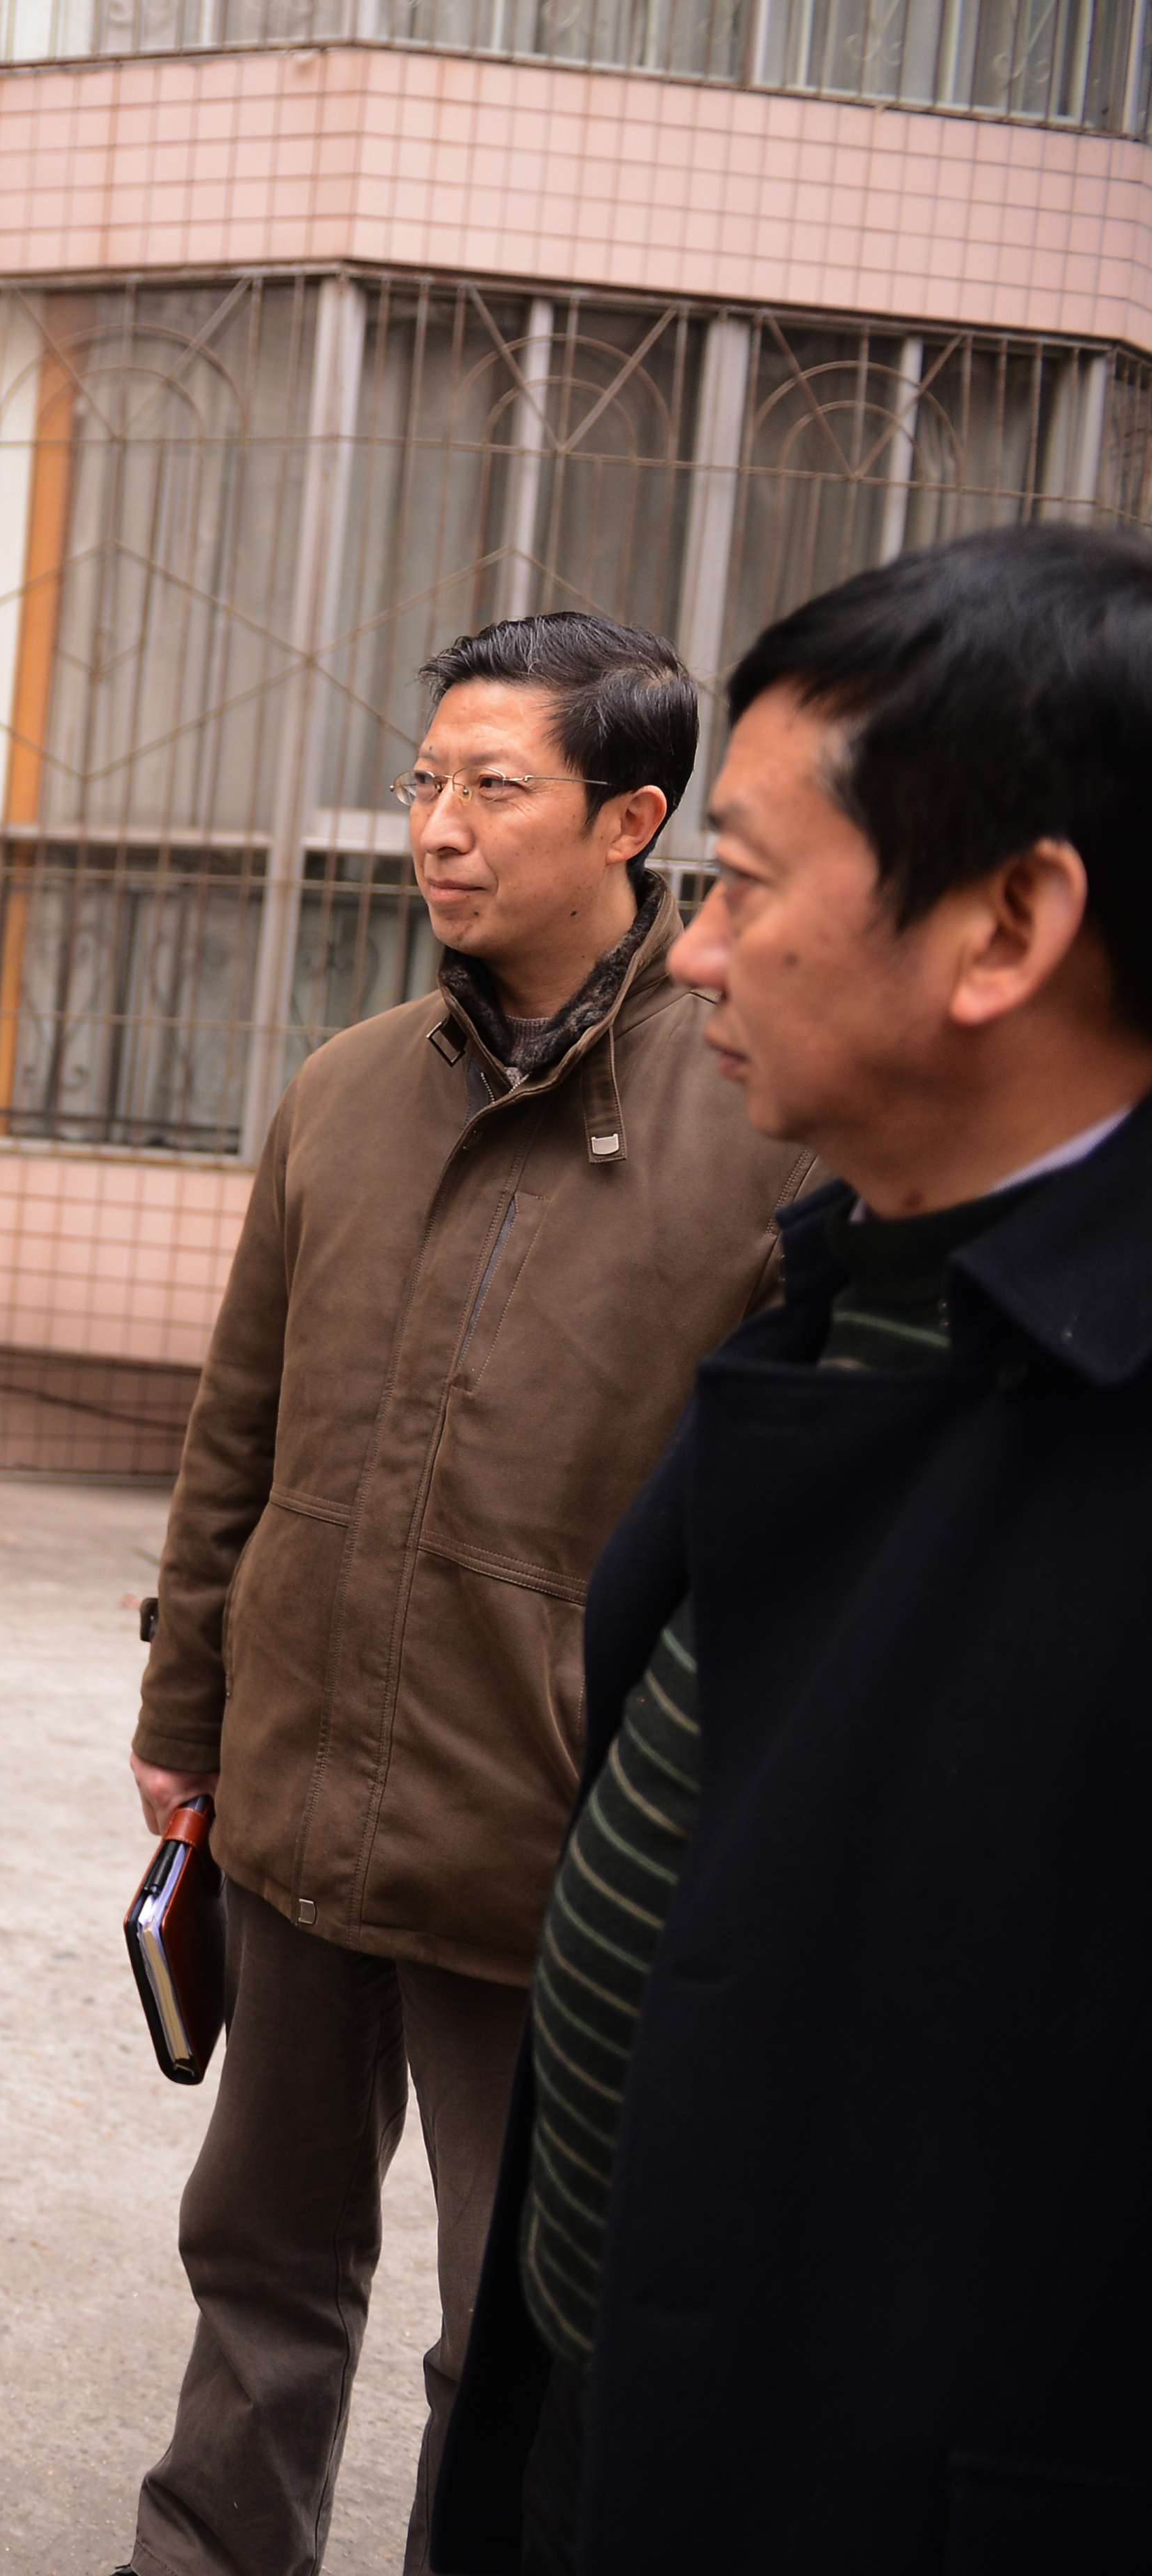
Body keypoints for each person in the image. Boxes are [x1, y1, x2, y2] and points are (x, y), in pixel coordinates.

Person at [432, 526, 1152, 2575]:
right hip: (609, 2404)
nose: (697, 953)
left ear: (1006, 926)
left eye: (745, 882)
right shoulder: (857, 1271)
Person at [111, 614, 816, 2576]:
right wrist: (185, 1714)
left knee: (515, 2322)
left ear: (632, 820)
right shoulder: (346, 1087)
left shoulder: (758, 1119)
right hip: (291, 1800)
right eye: (425, 782)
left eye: (493, 789)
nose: (437, 826)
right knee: (259, 2259)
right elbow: (235, 1435)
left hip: (552, 1844)